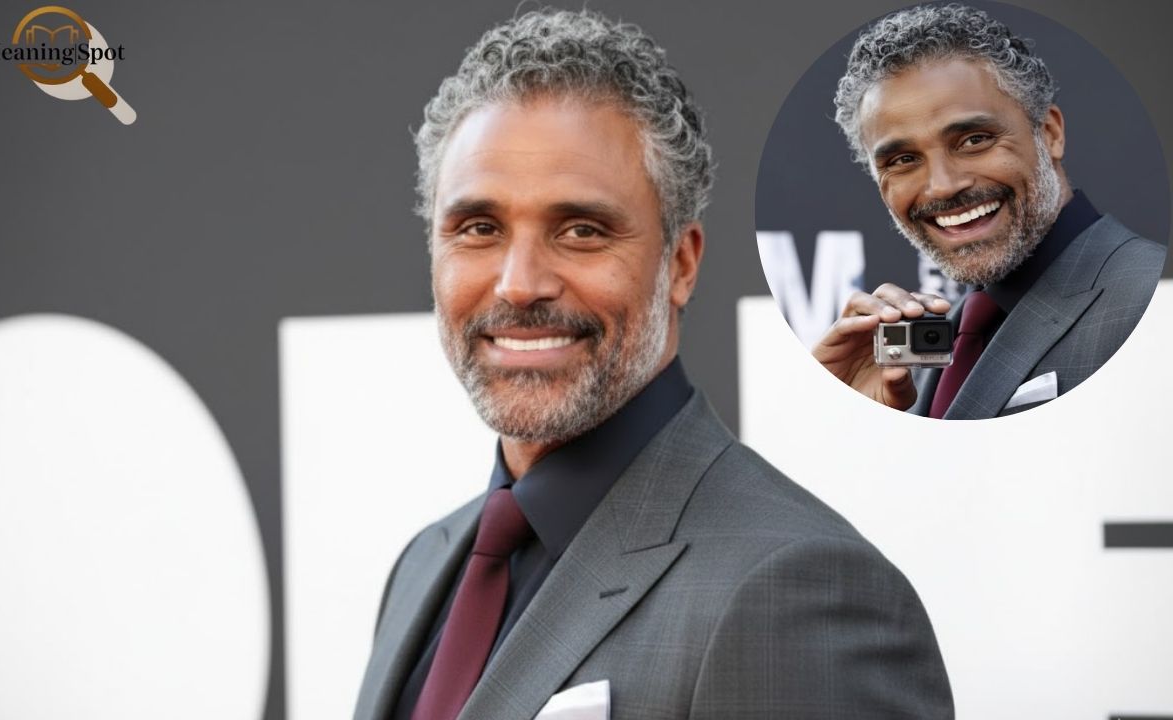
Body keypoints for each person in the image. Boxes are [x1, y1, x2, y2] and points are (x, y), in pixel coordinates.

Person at [352, 9, 953, 720]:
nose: (518, 283)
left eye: (581, 230)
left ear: (682, 262)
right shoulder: (427, 562)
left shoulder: (797, 590)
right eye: (478, 228)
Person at [815, 3, 1165, 419]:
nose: (943, 185)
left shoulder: (1151, 302)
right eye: (903, 160)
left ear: (1049, 133)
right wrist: (845, 414)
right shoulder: (932, 344)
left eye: (974, 139)